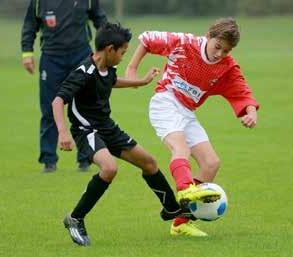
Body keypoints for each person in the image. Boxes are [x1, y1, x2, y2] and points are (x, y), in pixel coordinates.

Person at [52, 22, 220, 246]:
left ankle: (171, 209)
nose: (123, 58)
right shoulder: (84, 72)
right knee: (109, 168)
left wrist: (139, 81)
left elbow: (111, 81)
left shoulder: (106, 67)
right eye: (122, 52)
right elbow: (58, 100)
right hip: (86, 130)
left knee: (149, 163)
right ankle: (75, 219)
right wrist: (63, 133)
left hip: (107, 127)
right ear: (110, 49)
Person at [126, 17, 259, 237]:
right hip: (165, 101)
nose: (219, 54)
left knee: (211, 163)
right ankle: (185, 189)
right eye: (217, 46)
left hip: (187, 112)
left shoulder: (226, 66)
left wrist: (251, 112)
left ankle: (181, 222)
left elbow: (241, 90)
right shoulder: (184, 43)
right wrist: (132, 70)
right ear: (208, 36)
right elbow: (148, 39)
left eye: (225, 51)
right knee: (181, 150)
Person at [21, 0, 107, 172]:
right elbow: (30, 25)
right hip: (52, 58)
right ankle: (48, 160)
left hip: (81, 55)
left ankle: (86, 158)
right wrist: (27, 53)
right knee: (48, 108)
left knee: (86, 107)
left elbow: (101, 21)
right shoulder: (39, 2)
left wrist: (104, 48)